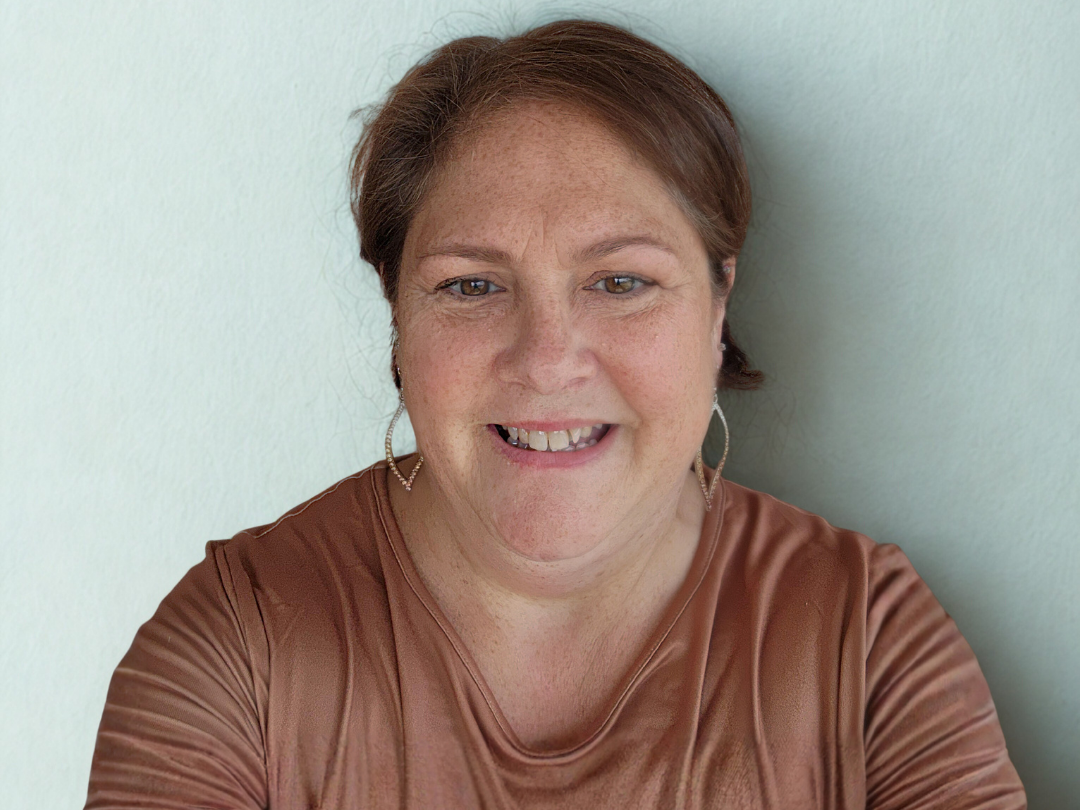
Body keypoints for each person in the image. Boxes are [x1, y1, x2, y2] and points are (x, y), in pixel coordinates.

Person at [84, 19, 1026, 809]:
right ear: (396, 310)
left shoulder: (864, 642)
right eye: (471, 286)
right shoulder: (238, 649)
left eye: (621, 282)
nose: (546, 362)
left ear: (718, 301)